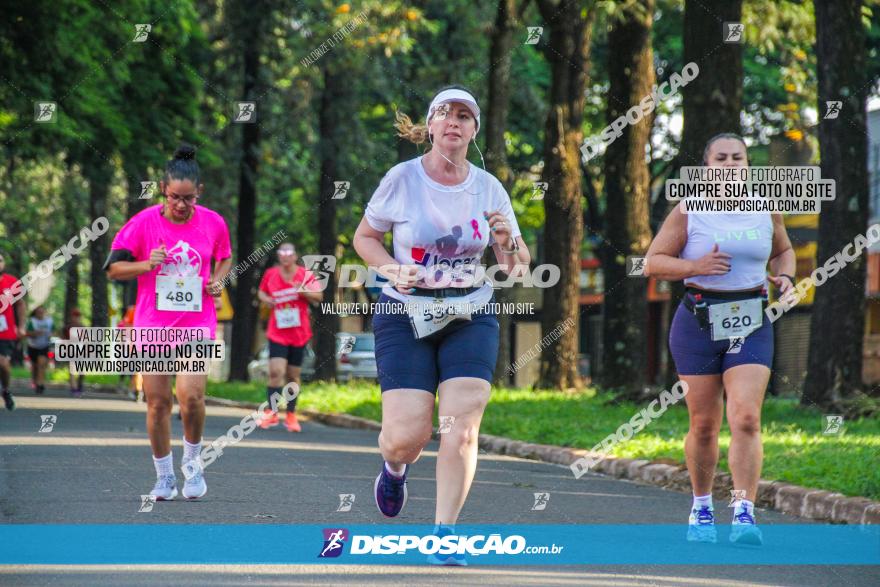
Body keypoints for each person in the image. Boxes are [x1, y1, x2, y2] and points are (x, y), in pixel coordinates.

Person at [353, 86, 530, 565]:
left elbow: (517, 267)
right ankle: (393, 469)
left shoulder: (489, 187)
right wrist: (391, 268)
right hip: (404, 312)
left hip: (470, 311)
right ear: (430, 126)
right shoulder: (402, 179)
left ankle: (444, 534)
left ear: (473, 131)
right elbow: (365, 237)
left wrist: (505, 240)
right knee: (407, 437)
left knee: (461, 428)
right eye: (445, 114)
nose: (454, 121)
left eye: (465, 116)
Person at [644, 133, 796, 546]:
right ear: (707, 165)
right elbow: (652, 262)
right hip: (698, 320)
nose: (730, 165)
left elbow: (784, 252)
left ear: (748, 164)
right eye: (721, 158)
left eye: (738, 158)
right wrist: (695, 265)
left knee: (746, 416)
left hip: (751, 318)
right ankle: (702, 507)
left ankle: (744, 513)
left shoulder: (766, 208)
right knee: (705, 424)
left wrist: (785, 275)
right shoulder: (690, 210)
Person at [105, 143, 232, 501]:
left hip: (196, 323)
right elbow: (114, 268)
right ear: (163, 190)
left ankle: (192, 466)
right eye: (175, 197)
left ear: (199, 193)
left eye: (188, 199)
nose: (181, 205)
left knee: (190, 397)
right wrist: (147, 264)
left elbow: (224, 258)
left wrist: (219, 279)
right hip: (153, 325)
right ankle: (164, 477)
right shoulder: (142, 223)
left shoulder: (214, 222)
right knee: (158, 403)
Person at [256, 242, 322, 432]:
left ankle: (291, 415)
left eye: (289, 253)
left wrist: (303, 292)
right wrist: (266, 299)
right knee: (276, 372)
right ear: (279, 256)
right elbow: (262, 291)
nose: (285, 256)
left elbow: (319, 296)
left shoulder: (304, 274)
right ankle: (272, 412)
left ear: (295, 256)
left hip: (299, 332)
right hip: (277, 331)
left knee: (293, 375)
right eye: (282, 253)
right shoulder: (271, 274)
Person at [0, 254, 26, 410]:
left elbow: (21, 304)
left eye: (0, 261)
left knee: (3, 364)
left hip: (6, 332)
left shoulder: (12, 281)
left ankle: (6, 390)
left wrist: (21, 326)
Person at [25, 306, 53, 395]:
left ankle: (40, 383)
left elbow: (54, 331)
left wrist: (50, 335)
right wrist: (35, 333)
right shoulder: (32, 321)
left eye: (42, 312)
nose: (40, 314)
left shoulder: (49, 321)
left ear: (45, 312)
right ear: (35, 313)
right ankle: (35, 381)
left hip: (44, 345)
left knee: (41, 364)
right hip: (33, 346)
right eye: (38, 313)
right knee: (35, 366)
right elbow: (27, 333)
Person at [63, 309, 86, 396]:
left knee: (81, 371)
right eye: (74, 316)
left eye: (77, 316)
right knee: (72, 369)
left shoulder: (83, 328)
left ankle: (80, 385)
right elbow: (64, 339)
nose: (75, 318)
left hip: (81, 351)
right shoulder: (67, 328)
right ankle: (74, 388)